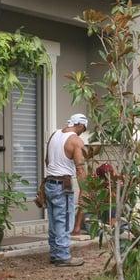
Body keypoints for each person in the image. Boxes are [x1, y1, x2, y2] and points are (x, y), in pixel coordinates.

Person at [45, 113, 87, 266]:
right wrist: (85, 190)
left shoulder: (54, 135)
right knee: (64, 221)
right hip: (64, 185)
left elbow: (47, 160)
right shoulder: (76, 141)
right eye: (83, 129)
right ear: (81, 125)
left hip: (49, 182)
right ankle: (62, 256)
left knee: (54, 221)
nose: (82, 132)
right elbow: (80, 169)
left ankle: (55, 253)